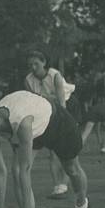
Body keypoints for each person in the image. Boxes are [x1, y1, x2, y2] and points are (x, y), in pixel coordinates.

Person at [24, 50, 74, 199]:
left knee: (62, 150)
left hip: (64, 109)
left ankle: (63, 184)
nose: (33, 67)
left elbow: (61, 103)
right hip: (44, 111)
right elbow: (31, 101)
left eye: (36, 64)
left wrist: (61, 124)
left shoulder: (55, 76)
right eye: (30, 65)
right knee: (49, 150)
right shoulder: (28, 79)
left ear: (44, 63)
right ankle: (58, 185)